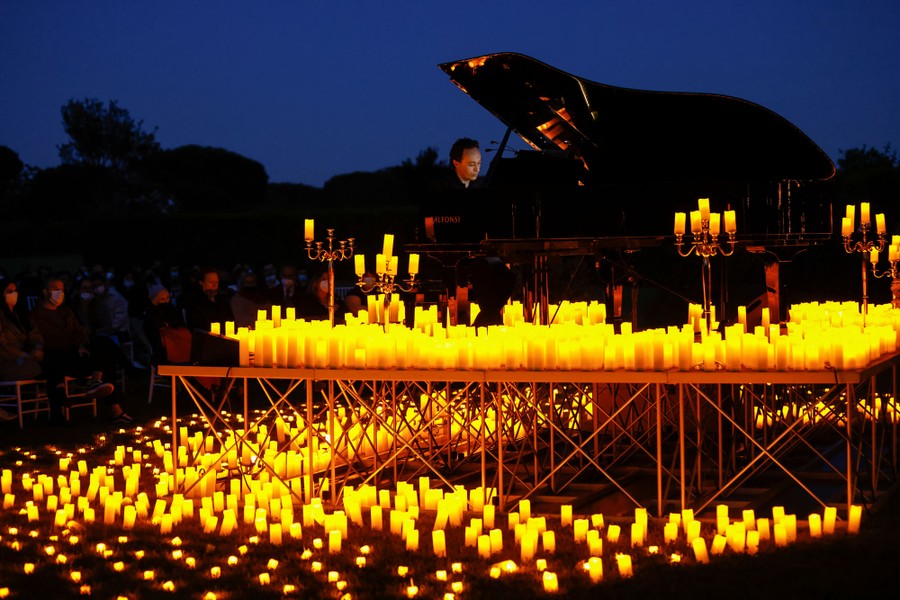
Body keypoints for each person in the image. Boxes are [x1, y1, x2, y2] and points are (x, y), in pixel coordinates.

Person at [30, 277, 133, 424]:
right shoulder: (36, 315)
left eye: (62, 290)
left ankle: (98, 384)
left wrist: (81, 344)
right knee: (101, 359)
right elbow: (40, 338)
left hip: (73, 355)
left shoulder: (66, 312)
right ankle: (122, 377)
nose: (59, 293)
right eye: (55, 289)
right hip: (55, 358)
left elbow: (80, 332)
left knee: (103, 344)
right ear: (45, 292)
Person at [0, 277, 44, 381]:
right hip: (7, 360)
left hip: (27, 357)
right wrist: (23, 355)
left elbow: (35, 335)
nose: (14, 294)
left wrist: (38, 347)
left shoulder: (21, 316)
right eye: (9, 291)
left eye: (15, 291)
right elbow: (2, 346)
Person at [143, 285, 189, 365]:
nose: (166, 301)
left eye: (168, 298)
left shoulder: (173, 311)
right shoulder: (151, 316)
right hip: (165, 353)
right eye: (162, 299)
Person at [184, 267, 234, 332]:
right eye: (211, 282)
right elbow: (197, 326)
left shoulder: (223, 300)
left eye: (217, 282)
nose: (214, 285)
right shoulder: (195, 302)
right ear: (201, 282)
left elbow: (231, 320)